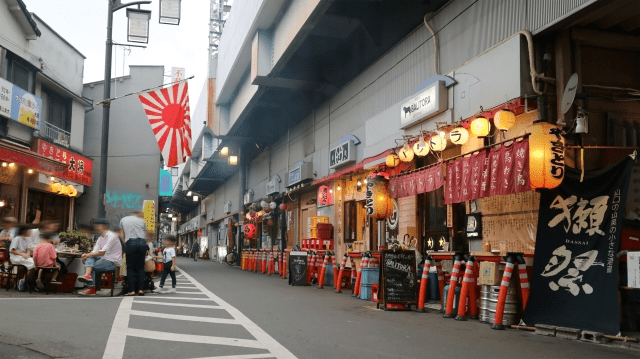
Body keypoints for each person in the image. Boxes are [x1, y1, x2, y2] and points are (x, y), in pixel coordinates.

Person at [78, 219, 122, 296]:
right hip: (103, 259)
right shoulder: (100, 238)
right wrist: (86, 256)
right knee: (90, 259)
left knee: (94, 265)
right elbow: (94, 252)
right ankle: (88, 275)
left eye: (97, 225)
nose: (96, 227)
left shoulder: (112, 236)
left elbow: (102, 252)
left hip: (111, 261)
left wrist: (87, 255)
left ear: (103, 226)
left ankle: (92, 288)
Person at [120, 212, 147, 296]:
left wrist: (126, 244)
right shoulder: (142, 221)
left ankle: (131, 290)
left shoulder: (123, 220)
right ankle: (141, 290)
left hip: (131, 242)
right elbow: (145, 234)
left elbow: (122, 235)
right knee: (141, 267)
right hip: (142, 243)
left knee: (130, 268)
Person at [9, 225, 36, 291]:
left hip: (23, 257)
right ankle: (23, 281)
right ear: (24, 231)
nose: (30, 232)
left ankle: (25, 280)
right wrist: (22, 254)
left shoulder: (26, 239)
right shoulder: (17, 238)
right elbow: (12, 250)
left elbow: (28, 249)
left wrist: (27, 254)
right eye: (28, 231)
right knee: (33, 264)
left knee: (36, 263)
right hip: (16, 257)